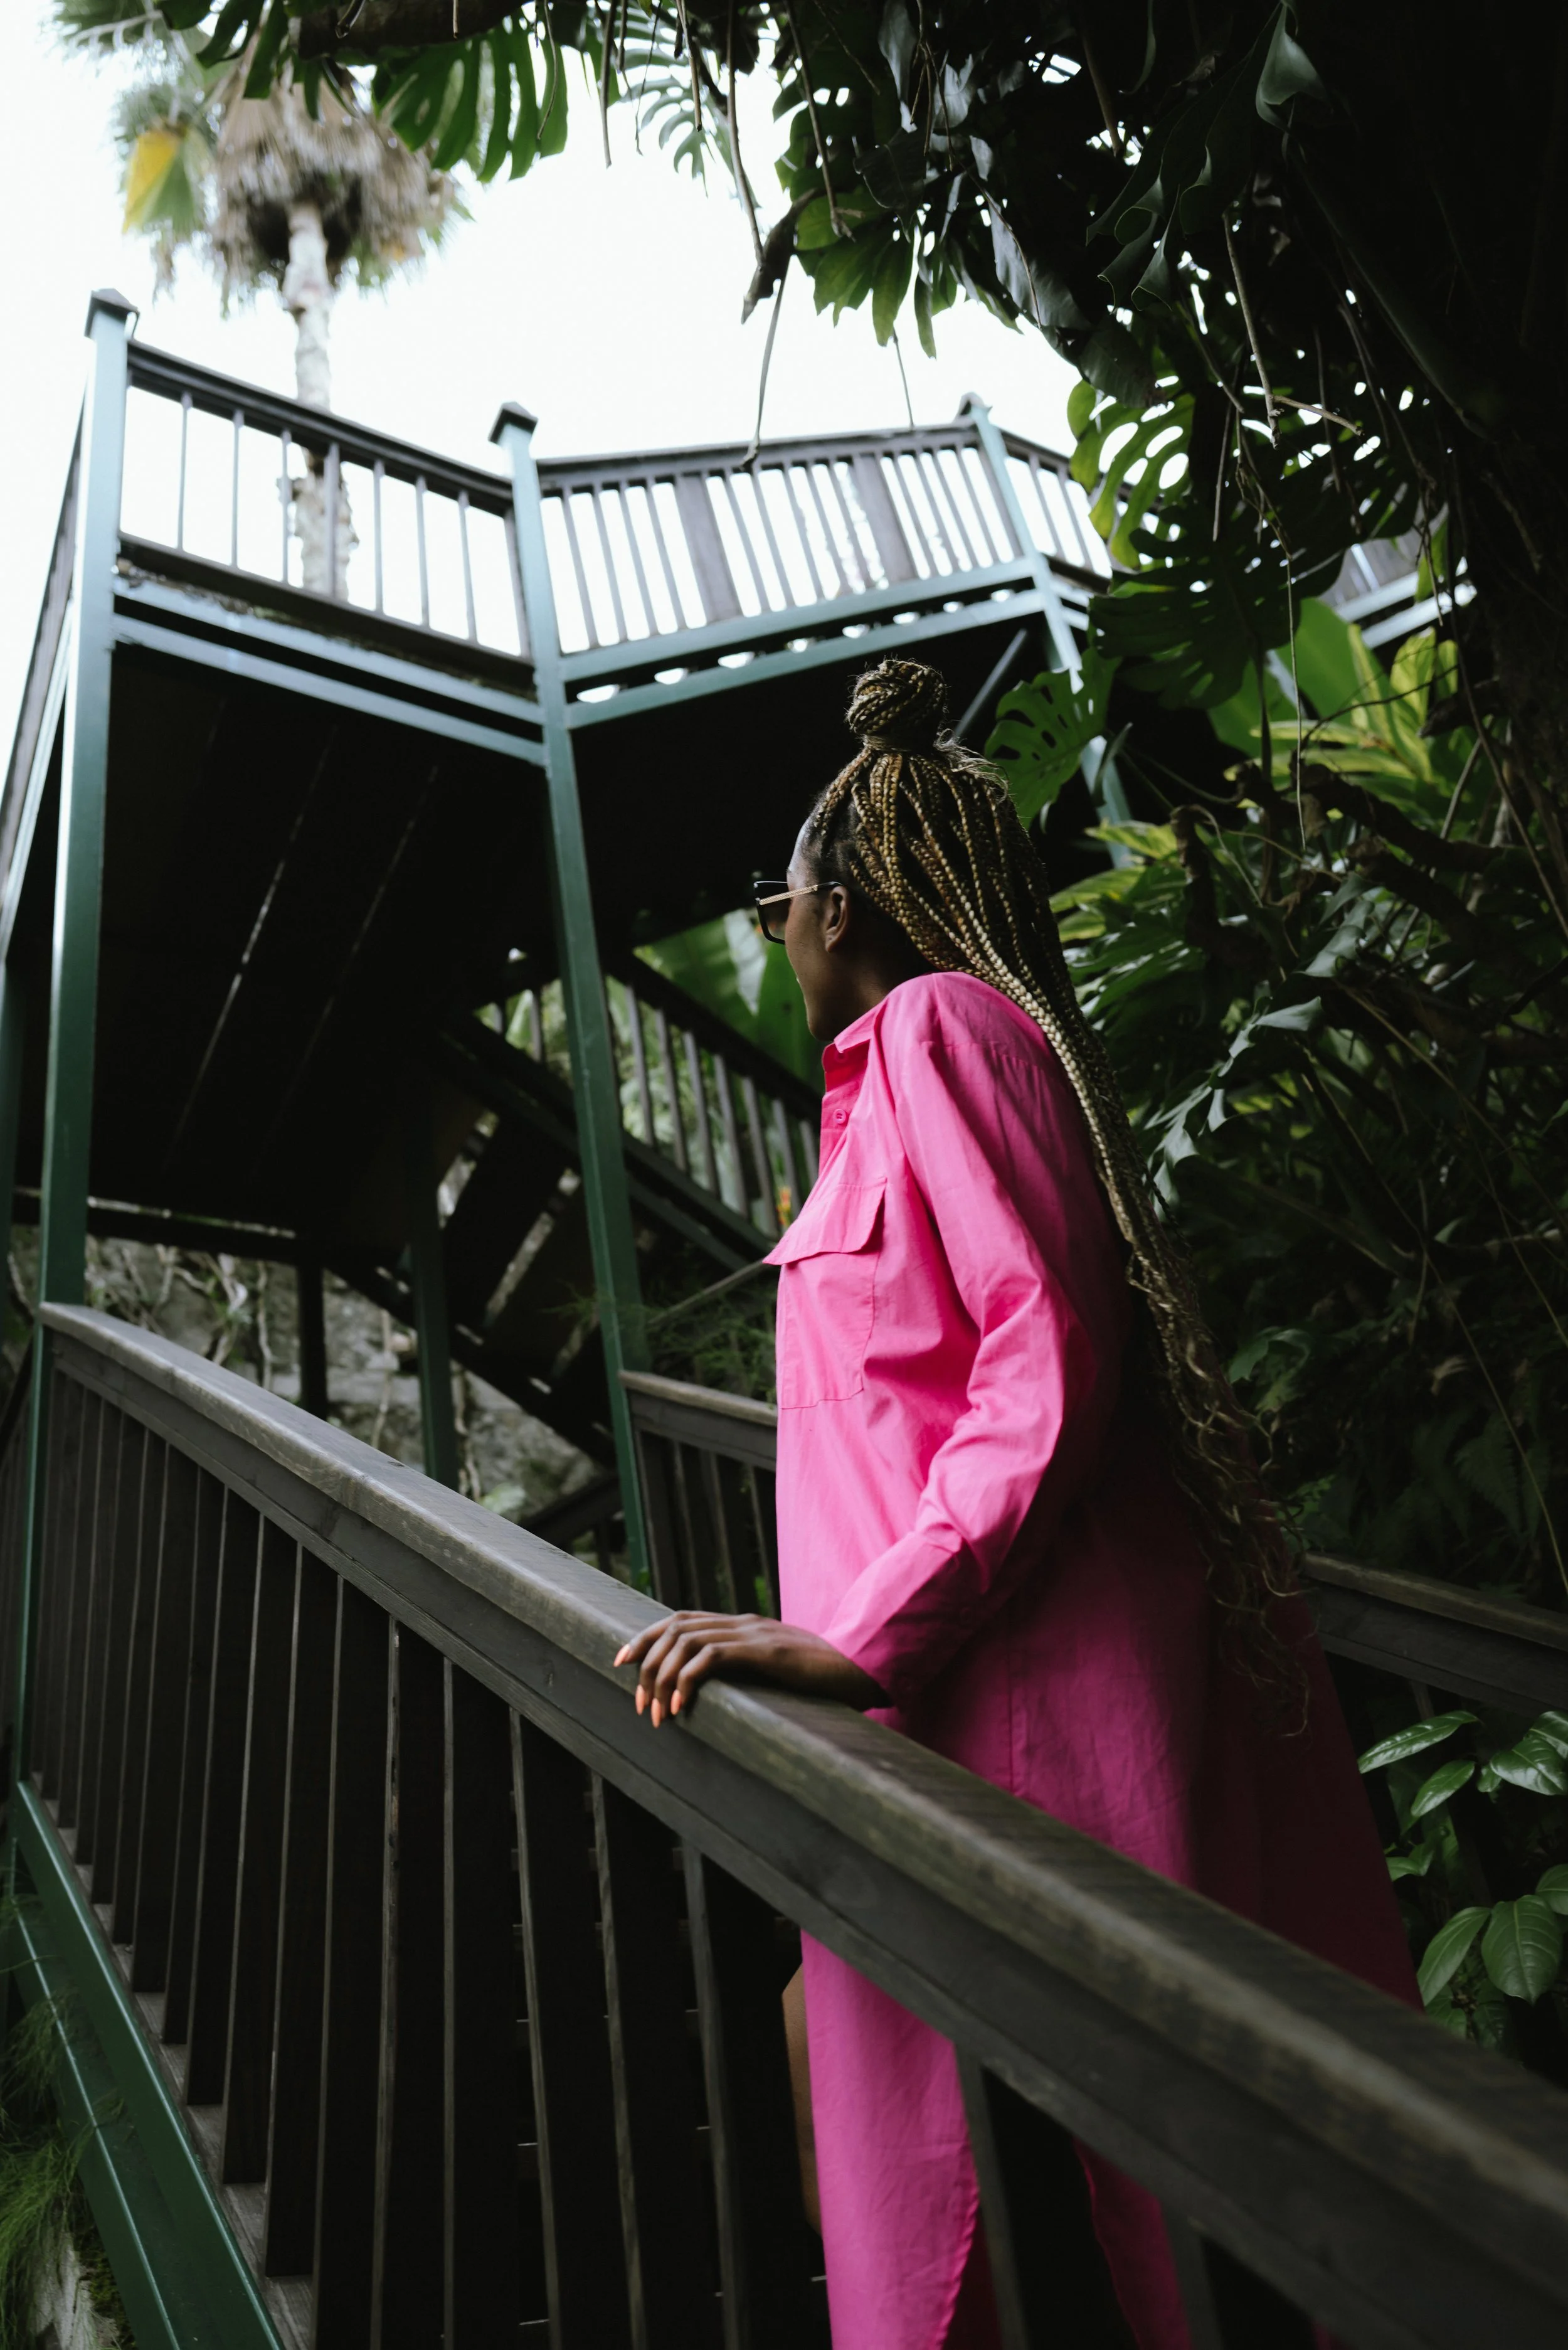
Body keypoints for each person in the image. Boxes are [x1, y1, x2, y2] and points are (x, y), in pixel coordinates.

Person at [614, 658, 1414, 2350]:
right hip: (943, 1684)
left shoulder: (938, 1029)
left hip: (1028, 1675)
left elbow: (1040, 1348)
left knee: (1163, 2156)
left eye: (776, 903)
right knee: (902, 2088)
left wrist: (860, 1633)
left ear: (839, 903)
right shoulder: (903, 1071)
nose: (773, 936)